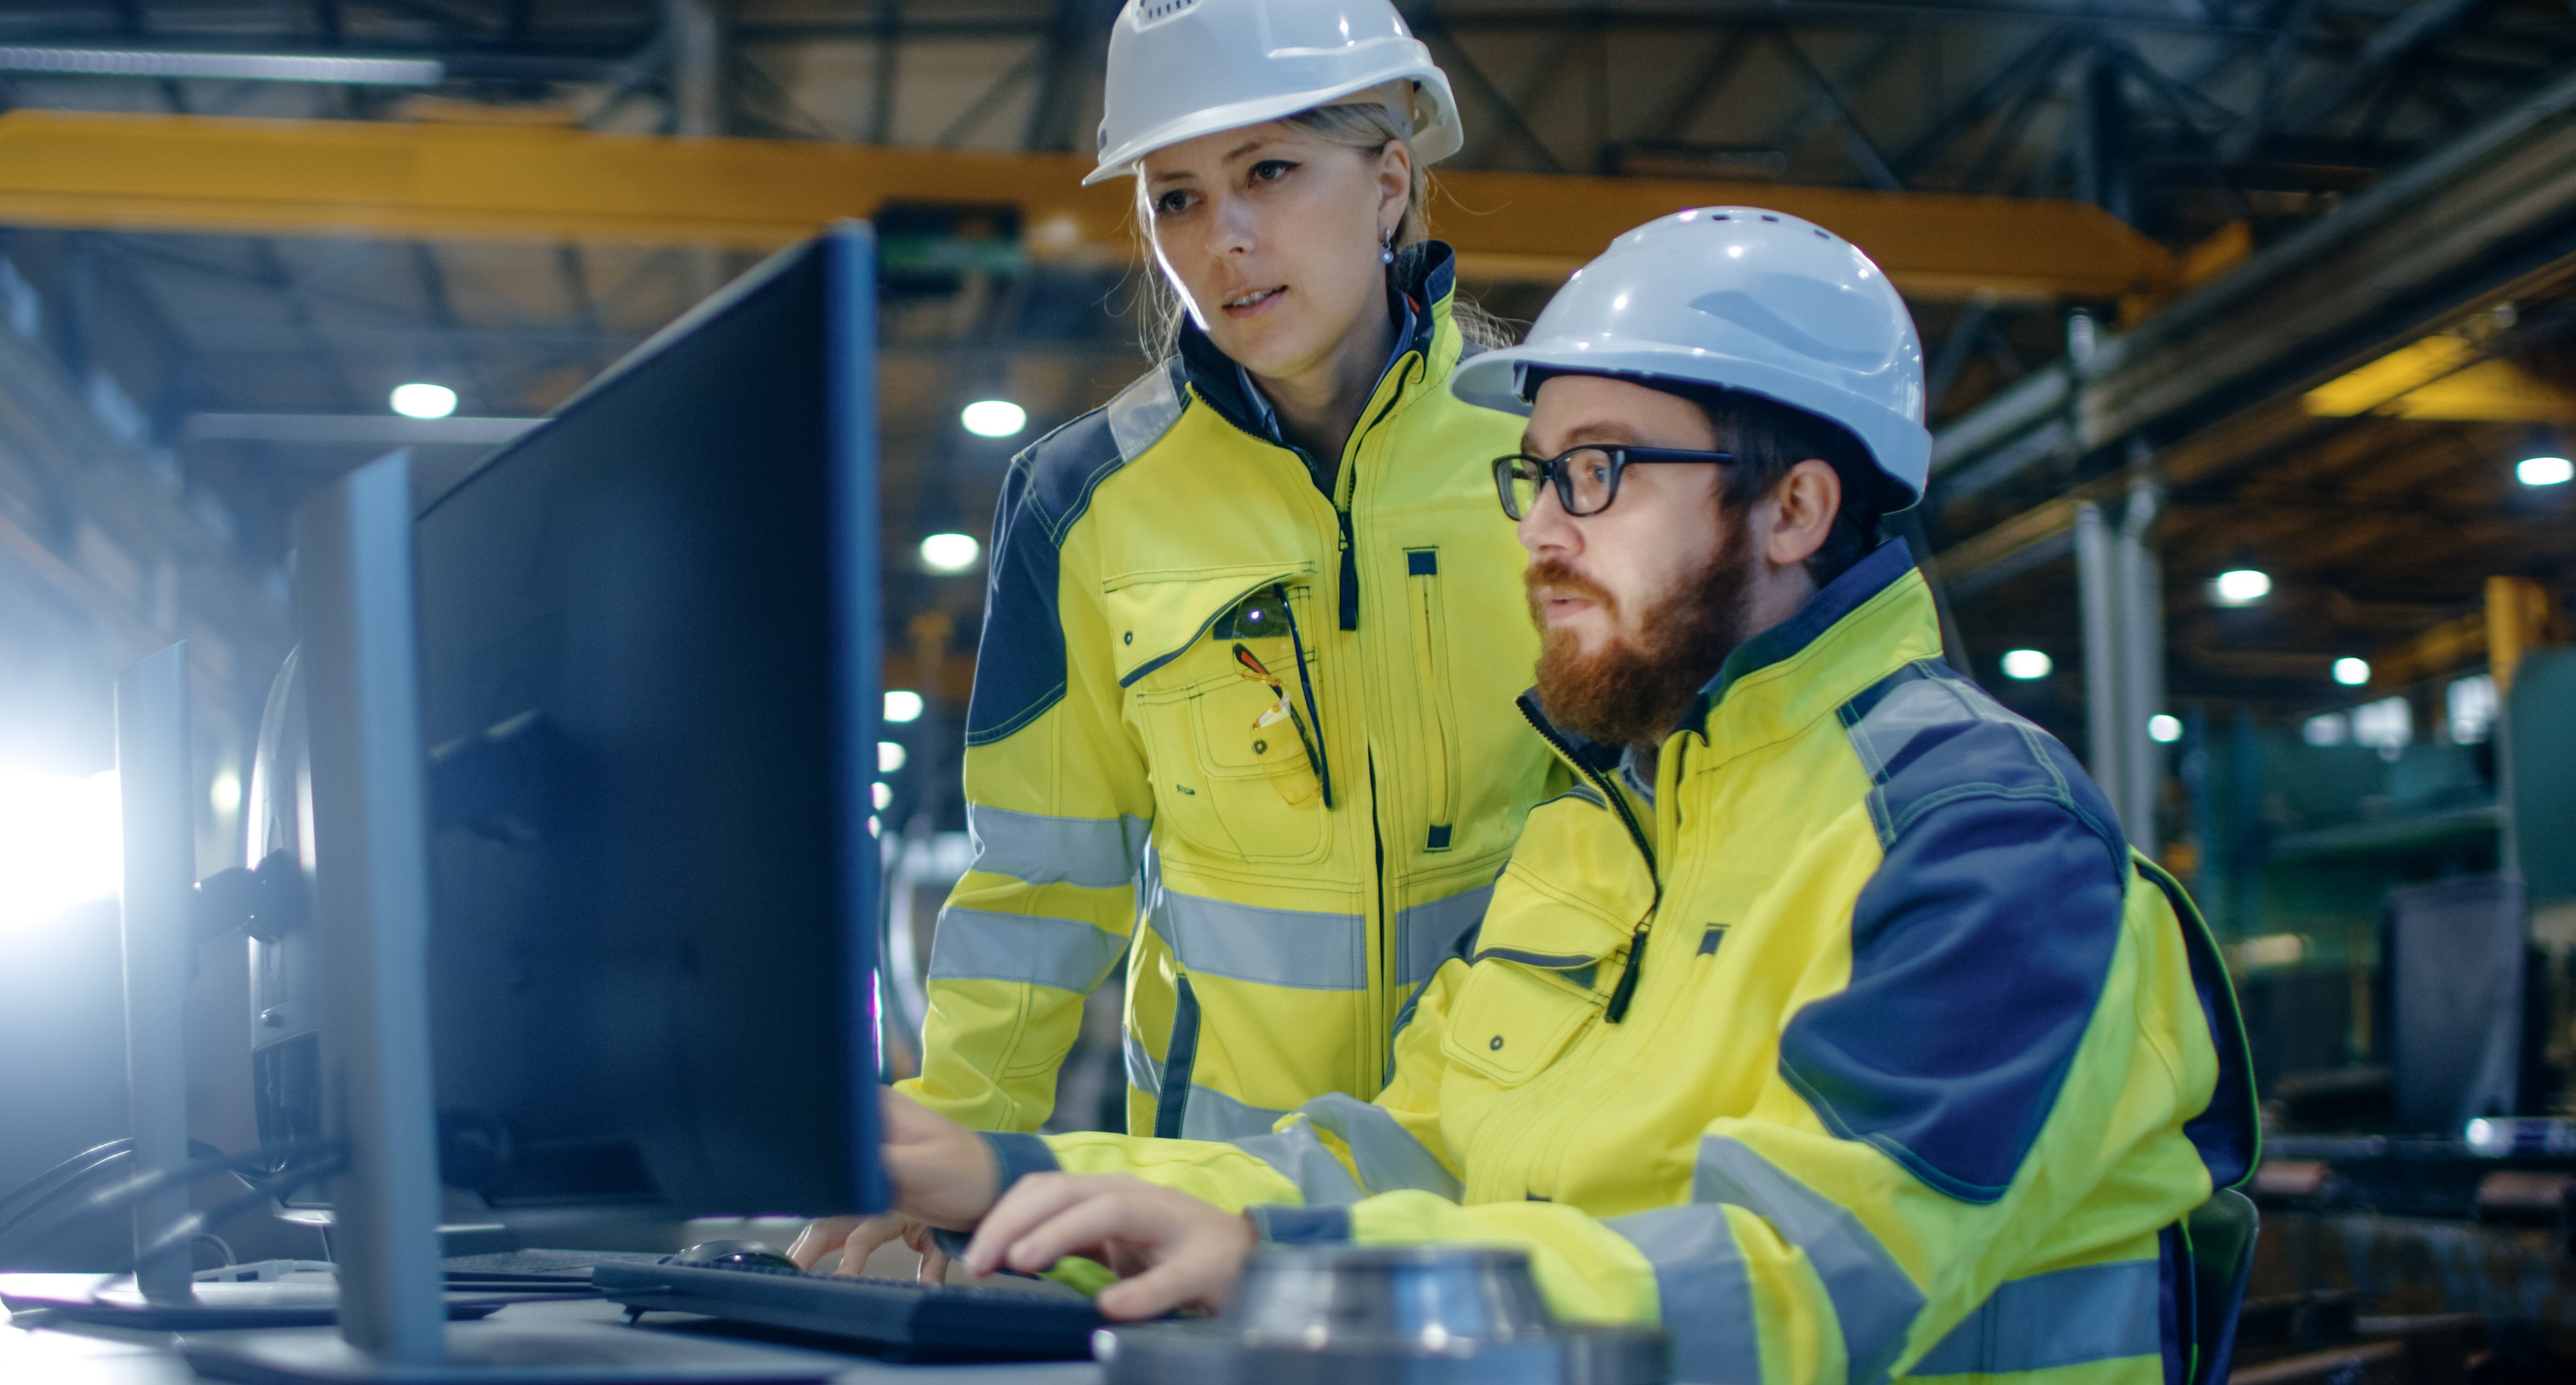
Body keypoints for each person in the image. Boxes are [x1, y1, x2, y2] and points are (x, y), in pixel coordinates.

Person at [853, 209, 2259, 1384]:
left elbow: (1795, 1282)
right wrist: (1005, 1174)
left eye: (1595, 473)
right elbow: (1399, 1155)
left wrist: (1299, 1281)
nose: (1534, 530)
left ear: (1793, 510)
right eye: (1535, 477)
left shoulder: (1982, 847)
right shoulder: (1602, 833)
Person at [795, 0, 1562, 1276]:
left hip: (1530, 1178)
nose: (1226, 240)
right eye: (1176, 197)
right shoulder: (1084, 501)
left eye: (1270, 171)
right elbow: (1042, 880)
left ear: (1388, 181)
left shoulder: (1555, 456)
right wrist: (951, 1159)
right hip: (1217, 1201)